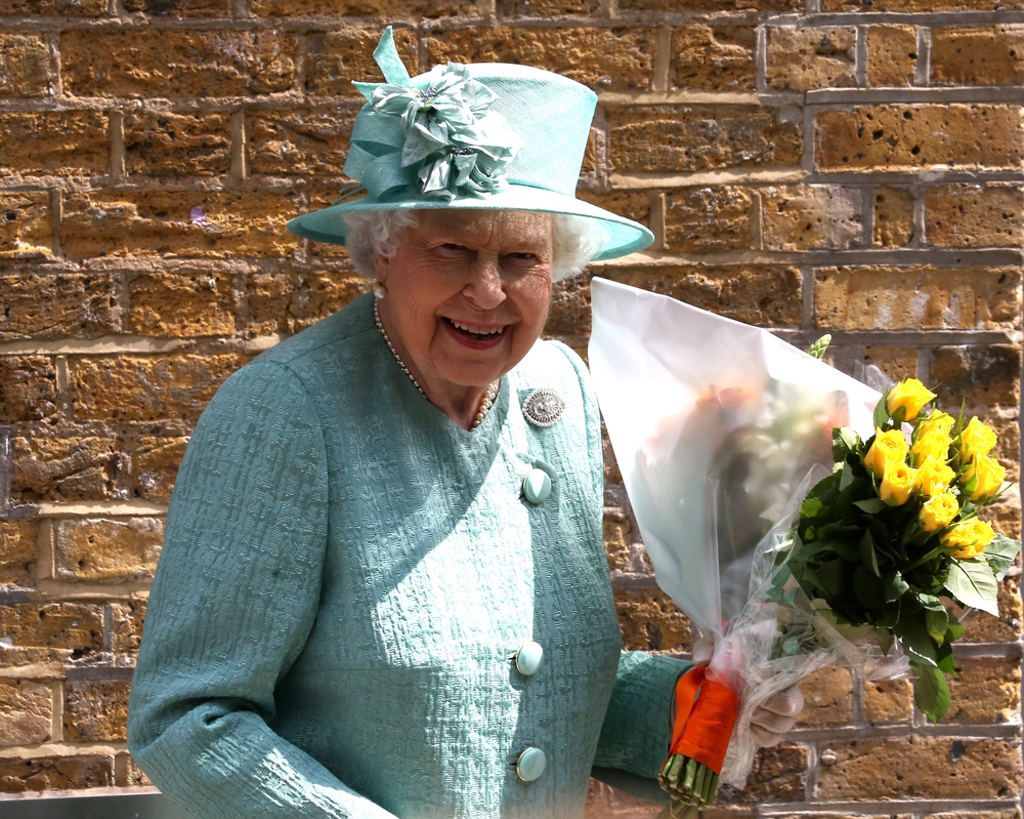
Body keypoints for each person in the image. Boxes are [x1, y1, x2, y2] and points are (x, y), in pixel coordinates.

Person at [127, 28, 799, 819]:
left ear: (561, 264)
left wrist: (730, 691)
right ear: (382, 249)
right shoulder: (286, 413)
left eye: (521, 258)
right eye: (452, 249)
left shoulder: (558, 389)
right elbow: (188, 719)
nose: (488, 292)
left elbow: (539, 683)